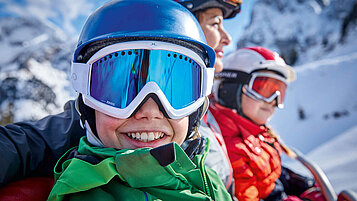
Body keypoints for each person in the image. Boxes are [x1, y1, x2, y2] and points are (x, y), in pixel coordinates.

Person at [0, 0, 242, 197]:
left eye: (176, 90)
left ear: (200, 102)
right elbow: (26, 142)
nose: (149, 109)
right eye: (119, 90)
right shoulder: (84, 186)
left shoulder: (205, 174)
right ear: (86, 103)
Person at [209, 46, 319, 201]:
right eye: (263, 88)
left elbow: (269, 174)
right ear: (231, 89)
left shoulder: (258, 133)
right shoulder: (229, 148)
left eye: (279, 91)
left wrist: (300, 184)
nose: (273, 100)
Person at [176, 0, 241, 196]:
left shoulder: (203, 105)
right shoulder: (167, 117)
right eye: (215, 24)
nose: (227, 38)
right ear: (185, 28)